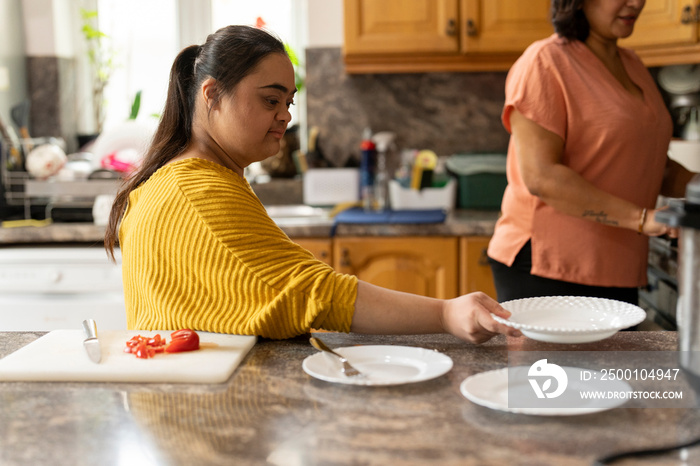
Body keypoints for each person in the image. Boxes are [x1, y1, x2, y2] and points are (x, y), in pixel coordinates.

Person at [104, 25, 520, 343]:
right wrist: (446, 314)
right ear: (212, 94)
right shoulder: (198, 191)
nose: (285, 115)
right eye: (270, 99)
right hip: (205, 417)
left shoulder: (170, 179)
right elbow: (314, 292)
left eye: (288, 102)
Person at [487, 0, 696, 305]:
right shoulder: (545, 62)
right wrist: (641, 218)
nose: (636, 2)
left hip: (618, 263)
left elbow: (652, 165)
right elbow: (541, 176)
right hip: (547, 264)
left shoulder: (632, 63)